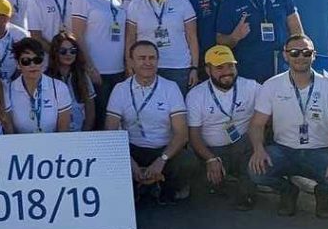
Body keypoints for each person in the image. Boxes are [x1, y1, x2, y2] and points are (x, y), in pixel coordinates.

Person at [249, 35, 328, 218]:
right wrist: (258, 149)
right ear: (285, 55)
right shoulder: (271, 85)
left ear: (314, 55)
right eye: (294, 52)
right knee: (255, 172)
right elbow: (257, 124)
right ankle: (287, 190)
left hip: (321, 151)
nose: (300, 57)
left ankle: (323, 192)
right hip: (283, 150)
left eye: (306, 52)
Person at [106, 41, 197, 204]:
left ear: (158, 61)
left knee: (188, 159)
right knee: (107, 159)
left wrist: (161, 160)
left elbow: (182, 134)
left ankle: (163, 188)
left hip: (163, 150)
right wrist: (130, 164)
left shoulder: (171, 87)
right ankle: (142, 185)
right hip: (132, 150)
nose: (147, 62)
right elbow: (110, 132)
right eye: (142, 58)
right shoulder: (120, 89)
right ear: (131, 62)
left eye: (152, 58)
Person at [185, 46, 259, 210]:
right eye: (219, 67)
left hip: (243, 146)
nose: (227, 72)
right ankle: (221, 181)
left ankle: (247, 190)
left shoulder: (251, 87)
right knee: (201, 195)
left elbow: (270, 112)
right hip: (212, 150)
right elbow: (194, 136)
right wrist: (210, 159)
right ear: (208, 70)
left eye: (230, 66)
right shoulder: (196, 95)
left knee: (252, 146)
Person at [216, 0, 303, 83]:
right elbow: (220, 40)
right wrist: (235, 37)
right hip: (250, 75)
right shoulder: (229, 2)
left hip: (283, 69)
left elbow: (296, 28)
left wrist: (298, 55)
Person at [125, 0, 198, 94]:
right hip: (146, 66)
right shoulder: (135, 5)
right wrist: (130, 64)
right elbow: (130, 38)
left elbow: (192, 37)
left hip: (178, 67)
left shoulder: (183, 3)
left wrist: (194, 68)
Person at [71, 0, 126, 128]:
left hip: (118, 68)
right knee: (99, 119)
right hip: (97, 70)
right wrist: (89, 67)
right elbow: (77, 35)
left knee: (116, 118)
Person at [6, 38, 72, 134]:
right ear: (18, 64)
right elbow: (9, 132)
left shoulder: (59, 88)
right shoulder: (8, 91)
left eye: (37, 60)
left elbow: (64, 131)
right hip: (20, 143)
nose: (33, 65)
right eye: (26, 61)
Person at [47, 32, 96, 132]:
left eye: (72, 51)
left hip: (79, 133)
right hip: (54, 134)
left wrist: (85, 132)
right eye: (63, 51)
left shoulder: (83, 76)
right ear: (55, 52)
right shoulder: (46, 78)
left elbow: (90, 110)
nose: (68, 54)